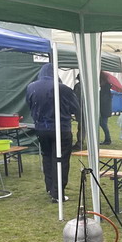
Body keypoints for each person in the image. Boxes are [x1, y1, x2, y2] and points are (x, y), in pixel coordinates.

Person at [26, 63, 80, 202]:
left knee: (47, 157)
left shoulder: (31, 87)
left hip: (41, 128)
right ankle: (57, 193)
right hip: (61, 128)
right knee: (61, 160)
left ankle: (50, 187)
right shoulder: (63, 88)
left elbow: (30, 105)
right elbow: (76, 108)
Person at [99, 72, 113, 145]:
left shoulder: (105, 90)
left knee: (103, 124)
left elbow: (103, 100)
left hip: (104, 110)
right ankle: (107, 139)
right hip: (105, 109)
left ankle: (108, 140)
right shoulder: (105, 89)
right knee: (103, 124)